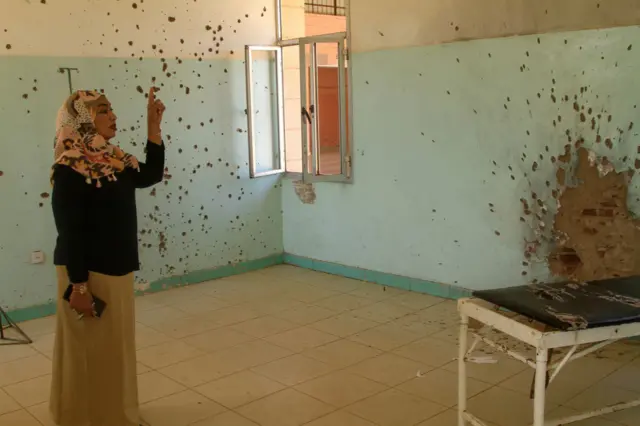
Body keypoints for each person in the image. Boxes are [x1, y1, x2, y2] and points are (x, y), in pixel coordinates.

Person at [49, 87, 166, 426]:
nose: (112, 115)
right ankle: (79, 417)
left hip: (117, 268)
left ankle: (114, 414)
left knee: (113, 350)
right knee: (86, 351)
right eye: (103, 110)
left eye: (111, 109)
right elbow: (69, 229)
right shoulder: (70, 166)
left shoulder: (112, 158)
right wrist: (79, 286)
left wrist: (153, 129)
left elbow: (149, 175)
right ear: (83, 119)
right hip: (86, 272)